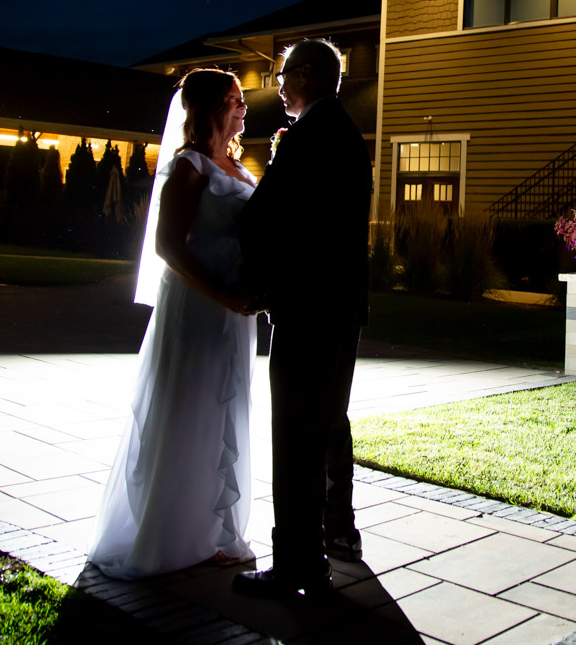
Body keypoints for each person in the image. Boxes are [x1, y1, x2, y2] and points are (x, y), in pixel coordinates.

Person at [89, 68, 258, 579]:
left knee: (226, 409)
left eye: (242, 100)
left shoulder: (243, 169)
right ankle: (173, 535)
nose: (243, 108)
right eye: (233, 99)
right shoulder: (189, 166)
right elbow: (168, 247)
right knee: (190, 408)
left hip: (235, 313)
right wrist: (224, 293)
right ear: (209, 108)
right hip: (200, 307)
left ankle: (214, 532)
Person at [233, 38, 371, 597]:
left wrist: (255, 281)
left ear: (308, 75)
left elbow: (265, 218)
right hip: (340, 307)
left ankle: (296, 563)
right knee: (328, 424)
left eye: (284, 74)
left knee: (294, 436)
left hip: (307, 307)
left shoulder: (308, 137)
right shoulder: (347, 134)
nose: (280, 86)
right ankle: (337, 532)